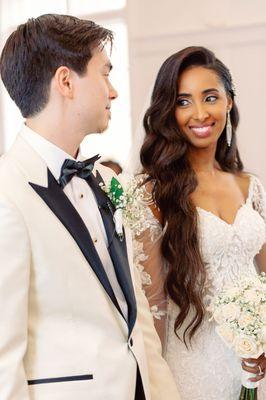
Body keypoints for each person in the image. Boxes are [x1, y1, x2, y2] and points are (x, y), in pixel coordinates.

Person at [0, 14, 180, 400]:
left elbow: (138, 323)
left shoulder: (109, 182)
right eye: (104, 74)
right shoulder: (6, 192)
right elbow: (2, 357)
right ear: (66, 82)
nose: (112, 92)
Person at [133, 46, 266, 399]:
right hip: (190, 369)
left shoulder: (249, 187)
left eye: (210, 97)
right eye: (183, 101)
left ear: (229, 103)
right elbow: (151, 305)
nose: (200, 113)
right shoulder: (153, 193)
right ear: (167, 111)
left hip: (253, 367)